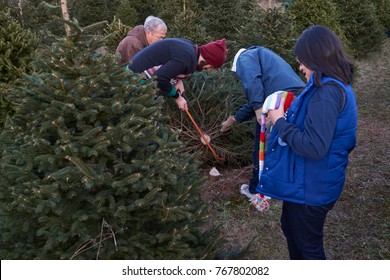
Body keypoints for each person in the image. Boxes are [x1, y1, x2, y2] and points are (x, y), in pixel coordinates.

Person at [259, 25, 357, 259]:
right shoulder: (328, 85)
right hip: (306, 182)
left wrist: (279, 121)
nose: (300, 67)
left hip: (312, 187)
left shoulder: (326, 92)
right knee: (291, 230)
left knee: (308, 247)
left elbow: (315, 147)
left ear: (315, 58)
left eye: (302, 61)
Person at [220, 47, 305, 198]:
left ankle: (257, 191)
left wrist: (259, 110)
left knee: (260, 148)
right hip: (296, 97)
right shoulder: (263, 57)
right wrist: (233, 120)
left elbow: (253, 87)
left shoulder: (244, 57)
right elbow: (253, 101)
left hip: (278, 101)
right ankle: (281, 185)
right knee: (283, 145)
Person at [127, 38, 227, 111]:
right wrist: (177, 97)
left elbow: (171, 62)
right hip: (134, 78)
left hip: (133, 70)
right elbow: (159, 79)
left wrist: (178, 81)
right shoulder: (187, 58)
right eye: (211, 67)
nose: (209, 70)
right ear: (208, 60)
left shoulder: (191, 48)